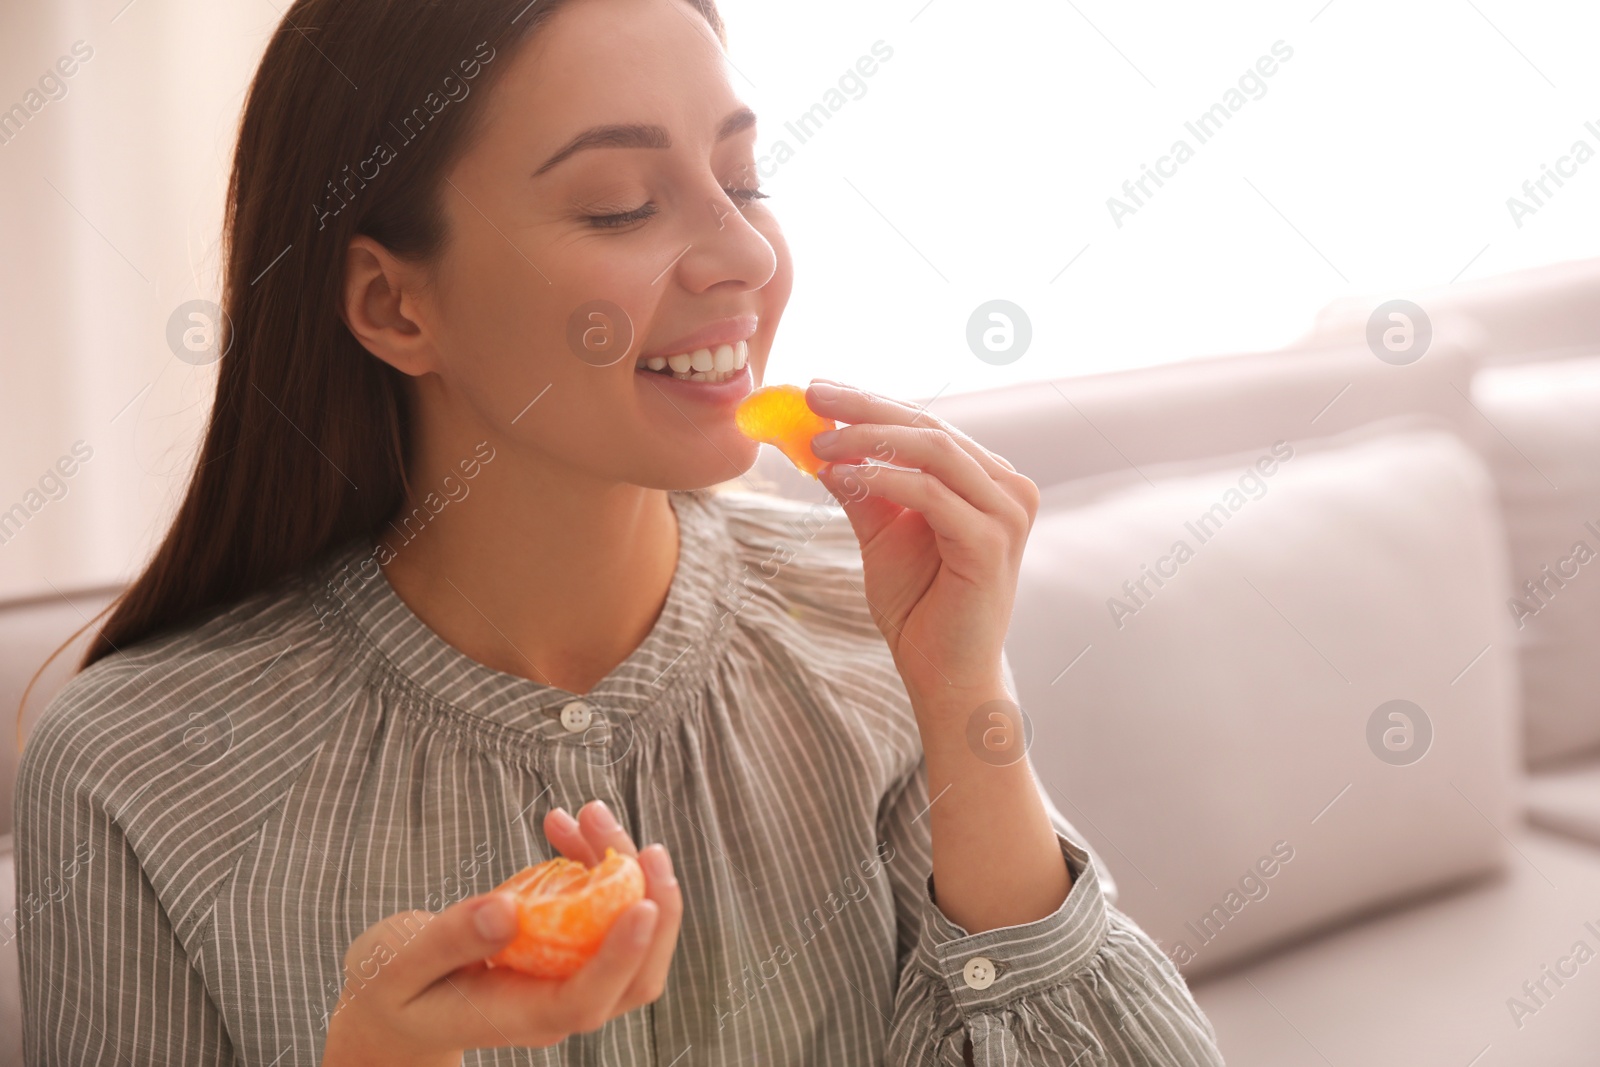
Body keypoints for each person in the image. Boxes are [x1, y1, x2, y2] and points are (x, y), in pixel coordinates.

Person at [15, 0, 1224, 1063]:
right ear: (394, 302)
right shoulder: (138, 769)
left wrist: (964, 695)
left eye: (744, 180)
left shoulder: (875, 621)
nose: (747, 253)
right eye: (620, 204)